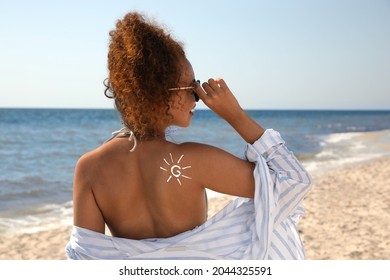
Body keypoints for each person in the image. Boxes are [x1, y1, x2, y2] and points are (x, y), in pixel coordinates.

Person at [65, 11, 312, 260]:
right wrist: (235, 115)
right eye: (191, 87)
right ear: (162, 94)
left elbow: (86, 259)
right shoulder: (194, 160)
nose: (198, 96)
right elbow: (292, 183)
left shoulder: (89, 168)